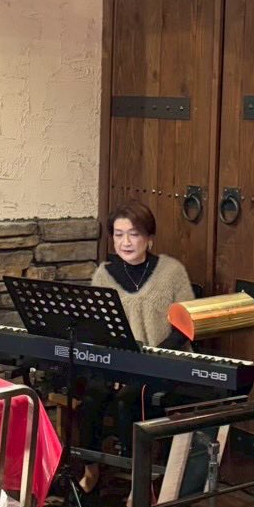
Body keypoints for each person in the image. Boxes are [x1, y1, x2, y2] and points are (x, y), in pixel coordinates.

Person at [76, 201, 195, 492]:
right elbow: (99, 327)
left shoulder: (172, 271)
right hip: (118, 360)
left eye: (134, 234)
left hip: (161, 362)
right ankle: (91, 471)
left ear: (149, 237)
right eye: (118, 235)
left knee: (127, 401)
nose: (125, 242)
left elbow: (186, 325)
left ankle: (137, 484)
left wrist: (150, 359)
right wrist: (117, 365)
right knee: (91, 396)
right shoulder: (103, 274)